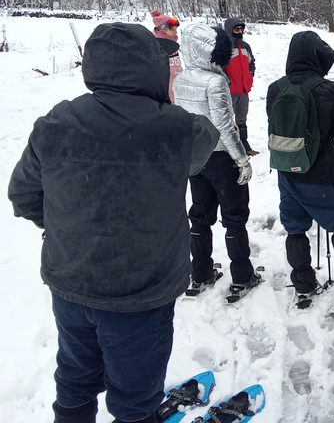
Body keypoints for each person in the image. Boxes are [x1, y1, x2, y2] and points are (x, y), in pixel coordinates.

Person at [7, 23, 220, 423]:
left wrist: (67, 227)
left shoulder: (56, 122)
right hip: (142, 293)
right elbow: (207, 137)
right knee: (135, 398)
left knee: (75, 379)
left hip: (71, 283)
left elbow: (23, 195)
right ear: (151, 68)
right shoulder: (174, 128)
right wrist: (166, 97)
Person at [266, 30, 334, 309]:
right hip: (322, 174)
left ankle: (303, 286)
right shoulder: (327, 89)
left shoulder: (276, 88)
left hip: (287, 172)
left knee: (295, 229)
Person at [173, 23, 261, 296]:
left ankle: (200, 273)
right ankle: (242, 276)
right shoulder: (216, 82)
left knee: (200, 215)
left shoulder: (180, 80)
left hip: (196, 158)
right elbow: (225, 125)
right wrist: (241, 159)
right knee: (234, 216)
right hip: (222, 156)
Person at [224, 17, 257, 155]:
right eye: (236, 29)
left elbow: (251, 63)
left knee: (242, 119)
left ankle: (245, 145)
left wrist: (250, 76)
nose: (240, 32)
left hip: (243, 90)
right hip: (230, 91)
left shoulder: (245, 46)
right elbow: (219, 68)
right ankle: (229, 149)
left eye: (241, 29)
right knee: (227, 120)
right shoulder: (224, 47)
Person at [151, 9, 183, 104]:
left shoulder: (172, 42)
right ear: (162, 30)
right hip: (167, 90)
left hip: (178, 84)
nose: (175, 32)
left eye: (176, 29)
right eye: (172, 30)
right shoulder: (156, 46)